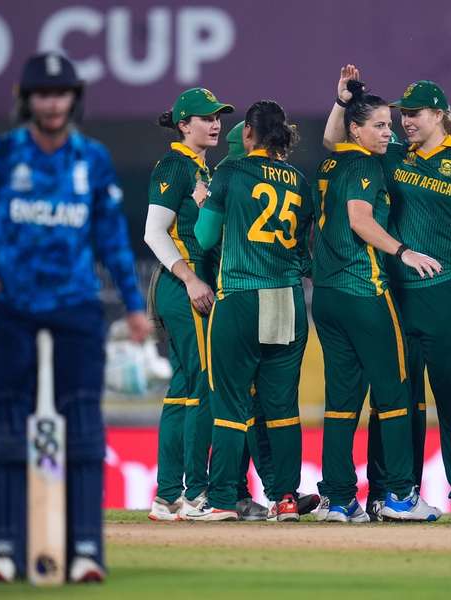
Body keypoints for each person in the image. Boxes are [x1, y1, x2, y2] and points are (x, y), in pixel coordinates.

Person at [0, 53, 151, 582]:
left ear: (73, 99)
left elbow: (111, 239)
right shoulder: (4, 153)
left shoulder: (93, 159)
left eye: (60, 94)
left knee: (82, 426)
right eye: (42, 94)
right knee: (5, 425)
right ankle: (1, 551)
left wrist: (133, 304)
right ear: (27, 100)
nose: (52, 103)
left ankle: (85, 552)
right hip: (11, 307)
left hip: (76, 306)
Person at [323, 66, 451, 522]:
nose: (406, 121)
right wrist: (343, 102)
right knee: (395, 398)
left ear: (440, 115)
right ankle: (391, 491)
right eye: (402, 114)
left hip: (446, 292)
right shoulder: (390, 155)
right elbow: (335, 142)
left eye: (415, 114)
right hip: (392, 294)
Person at [312, 81, 442, 522]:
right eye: (380, 126)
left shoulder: (331, 163)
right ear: (357, 131)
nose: (390, 132)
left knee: (340, 400)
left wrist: (342, 102)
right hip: (364, 291)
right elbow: (359, 219)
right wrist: (404, 251)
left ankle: (338, 498)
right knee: (395, 394)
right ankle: (401, 496)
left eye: (391, 125)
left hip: (326, 297)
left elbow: (331, 138)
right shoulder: (365, 167)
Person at [144, 89, 270, 522]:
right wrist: (192, 277)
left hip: (189, 283)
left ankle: (167, 496)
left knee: (184, 388)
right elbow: (154, 232)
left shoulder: (200, 168)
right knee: (200, 386)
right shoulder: (175, 166)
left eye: (217, 117)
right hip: (185, 284)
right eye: (205, 118)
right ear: (184, 124)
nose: (215, 124)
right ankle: (197, 492)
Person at [192, 100, 313, 521]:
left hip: (241, 296)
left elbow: (205, 238)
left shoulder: (229, 173)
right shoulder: (299, 180)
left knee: (230, 405)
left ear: (247, 134)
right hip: (287, 299)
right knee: (281, 408)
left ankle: (224, 499)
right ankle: (285, 499)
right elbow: (303, 247)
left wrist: (203, 201)